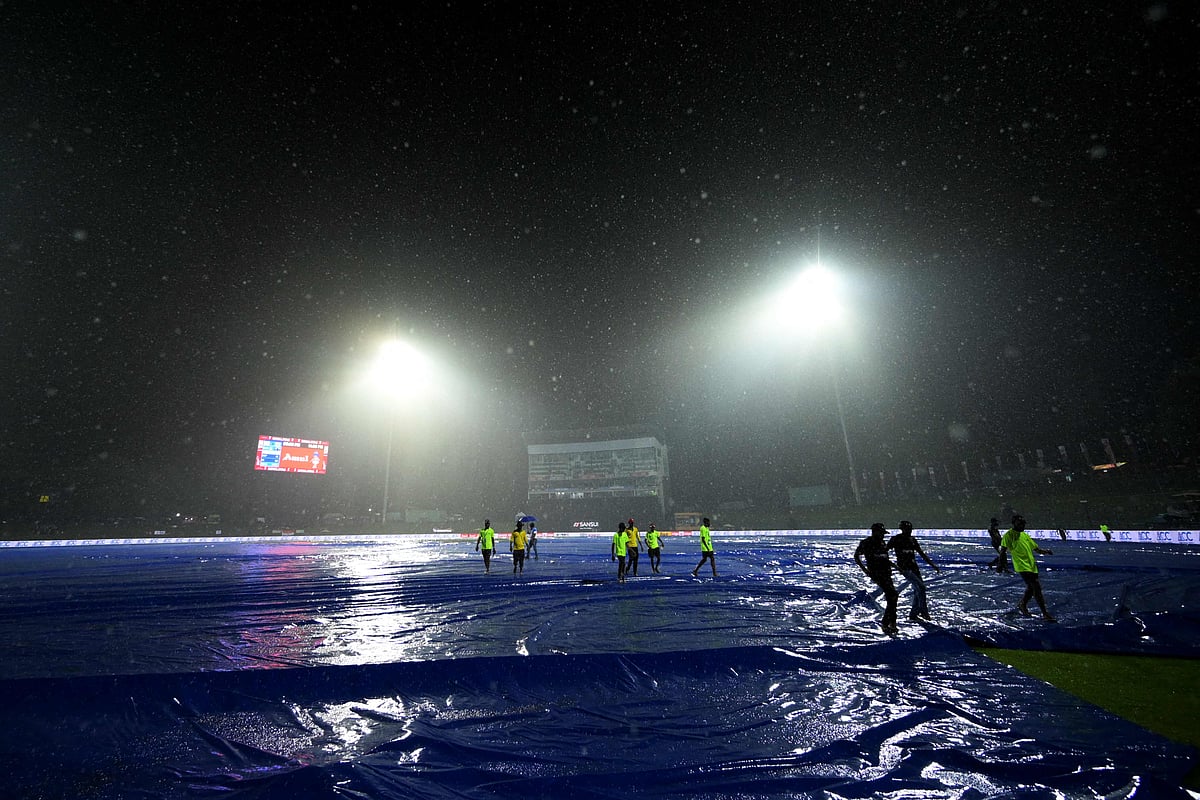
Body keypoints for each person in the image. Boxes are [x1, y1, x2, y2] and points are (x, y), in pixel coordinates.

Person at [999, 514, 1056, 622]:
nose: (1022, 525)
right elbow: (1003, 551)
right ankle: (1045, 613)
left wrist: (1046, 551)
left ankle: (1022, 605)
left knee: (1031, 588)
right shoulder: (1009, 535)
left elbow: (1036, 549)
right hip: (1022, 566)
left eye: (1023, 523)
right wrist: (1001, 565)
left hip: (1031, 565)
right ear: (1014, 523)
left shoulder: (1025, 535)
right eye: (1020, 523)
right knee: (1036, 587)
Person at [888, 520, 940, 621]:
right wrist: (892, 565)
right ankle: (923, 611)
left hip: (914, 567)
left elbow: (921, 553)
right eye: (907, 529)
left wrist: (932, 565)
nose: (909, 531)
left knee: (918, 589)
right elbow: (884, 551)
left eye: (910, 529)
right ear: (902, 529)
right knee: (921, 587)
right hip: (905, 568)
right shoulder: (896, 539)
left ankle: (913, 614)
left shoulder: (912, 540)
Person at [854, 522, 899, 634]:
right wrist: (865, 570)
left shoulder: (882, 543)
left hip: (886, 572)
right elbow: (856, 556)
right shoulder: (866, 543)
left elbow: (884, 557)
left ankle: (892, 622)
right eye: (881, 533)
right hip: (877, 573)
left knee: (892, 597)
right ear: (875, 532)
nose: (883, 535)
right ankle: (886, 623)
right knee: (893, 595)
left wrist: (895, 566)